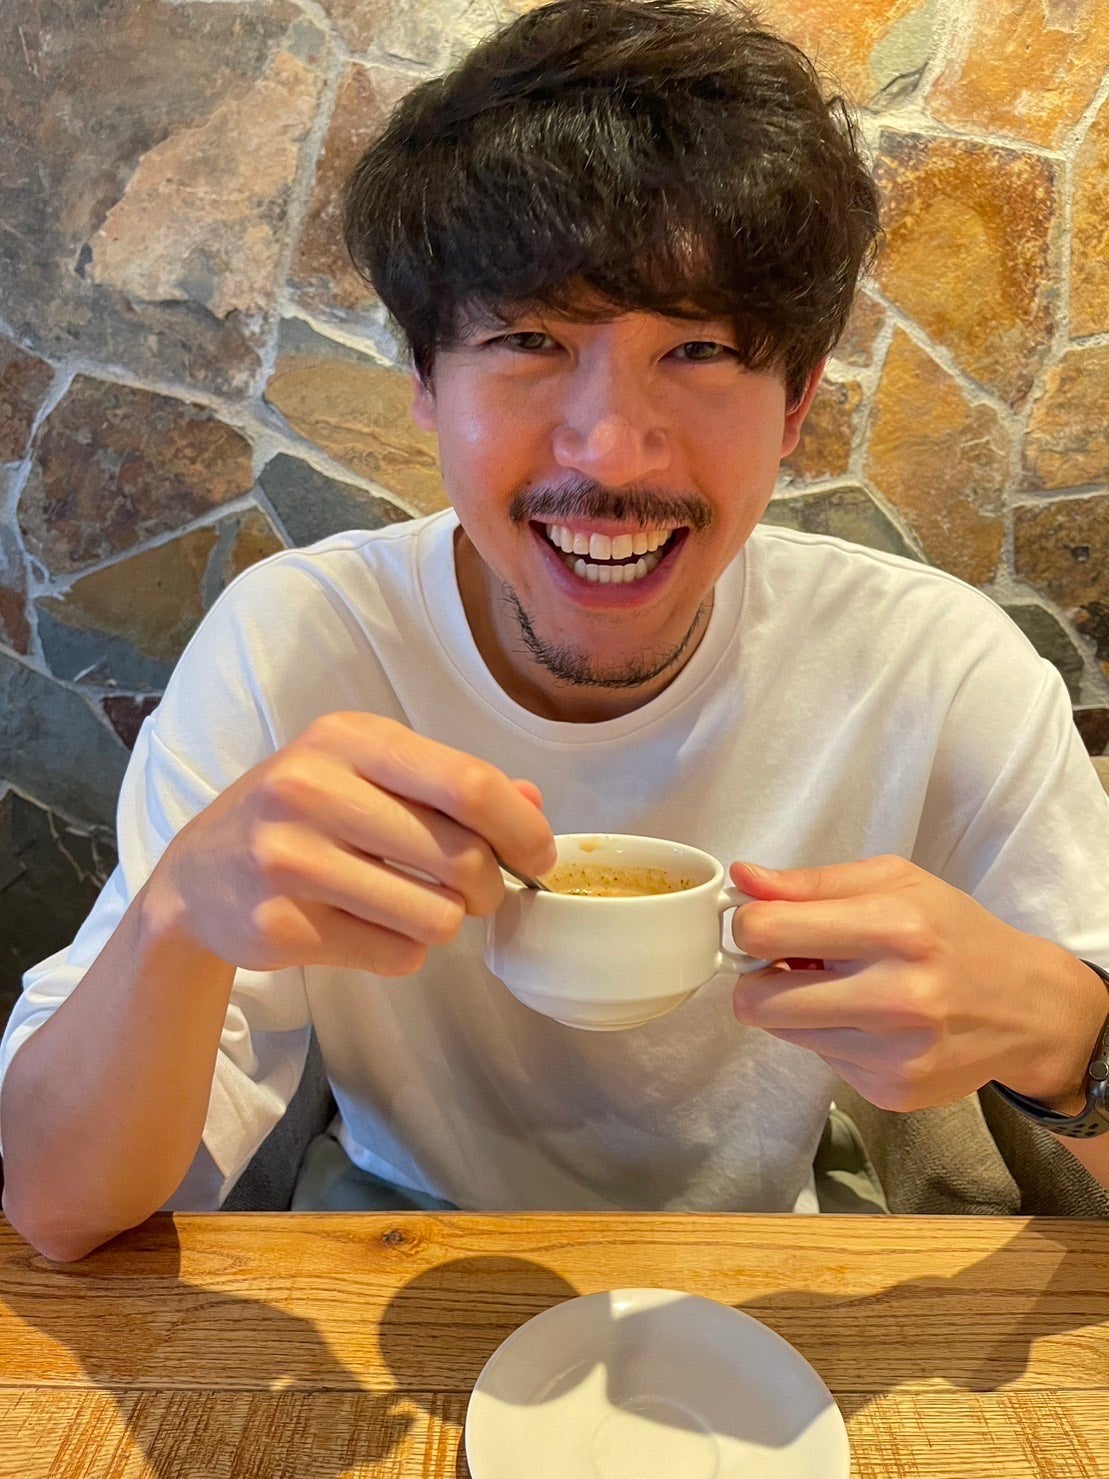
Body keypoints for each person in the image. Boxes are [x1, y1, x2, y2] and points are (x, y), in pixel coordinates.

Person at [2, 0, 1108, 1263]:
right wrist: (177, 922)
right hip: (380, 1267)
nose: (609, 452)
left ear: (796, 402)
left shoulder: (925, 662)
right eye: (527, 340)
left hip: (767, 1282)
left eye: (698, 350)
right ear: (426, 384)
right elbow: (58, 1208)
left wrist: (1064, 1039)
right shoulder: (295, 643)